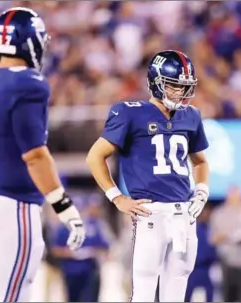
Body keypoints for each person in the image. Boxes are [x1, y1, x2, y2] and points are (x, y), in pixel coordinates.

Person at [0, 7, 85, 302]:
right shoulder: (28, 83)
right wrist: (64, 207)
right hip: (12, 208)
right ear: (30, 42)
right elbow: (36, 155)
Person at [86, 50, 210, 302]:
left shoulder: (191, 116)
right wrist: (117, 197)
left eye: (185, 87)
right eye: (175, 86)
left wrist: (202, 191)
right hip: (149, 213)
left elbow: (200, 161)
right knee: (143, 292)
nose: (182, 93)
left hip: (184, 215)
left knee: (176, 294)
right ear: (157, 83)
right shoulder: (130, 112)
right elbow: (95, 157)